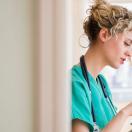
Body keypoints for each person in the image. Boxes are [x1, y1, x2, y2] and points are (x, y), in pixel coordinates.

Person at [71, 0, 132, 132]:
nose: (130, 53)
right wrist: (125, 112)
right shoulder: (75, 83)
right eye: (127, 43)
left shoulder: (101, 83)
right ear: (104, 35)